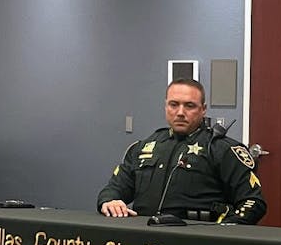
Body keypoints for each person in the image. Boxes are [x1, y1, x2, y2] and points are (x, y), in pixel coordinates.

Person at [97, 79, 266, 224]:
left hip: (199, 243)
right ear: (166, 106)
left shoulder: (222, 149)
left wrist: (223, 233)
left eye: (189, 106)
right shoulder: (143, 147)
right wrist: (110, 201)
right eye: (174, 104)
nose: (180, 112)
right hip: (144, 243)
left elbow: (253, 203)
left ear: (203, 109)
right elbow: (113, 189)